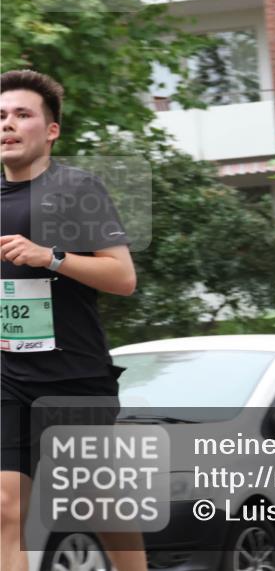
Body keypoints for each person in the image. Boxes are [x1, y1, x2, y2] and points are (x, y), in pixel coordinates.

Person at [0, 70, 144, 571]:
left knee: (100, 508)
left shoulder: (77, 188)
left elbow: (123, 277)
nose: (8, 125)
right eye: (0, 116)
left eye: (22, 114)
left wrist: (51, 257)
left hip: (74, 378)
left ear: (51, 130)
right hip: (8, 378)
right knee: (5, 507)